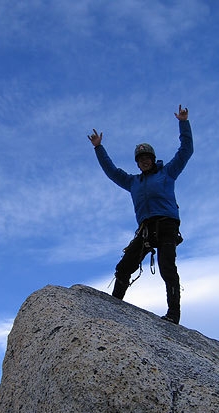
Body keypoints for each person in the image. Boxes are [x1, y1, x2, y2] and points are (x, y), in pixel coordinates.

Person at [88, 105, 193, 324]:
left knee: (167, 267)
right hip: (146, 230)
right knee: (124, 267)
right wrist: (99, 148)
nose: (144, 161)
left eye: (147, 157)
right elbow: (112, 171)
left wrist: (183, 123)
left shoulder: (167, 173)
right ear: (137, 162)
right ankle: (114, 306)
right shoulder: (132, 182)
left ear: (153, 159)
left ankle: (173, 315)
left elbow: (186, 151)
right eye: (140, 159)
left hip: (166, 226)